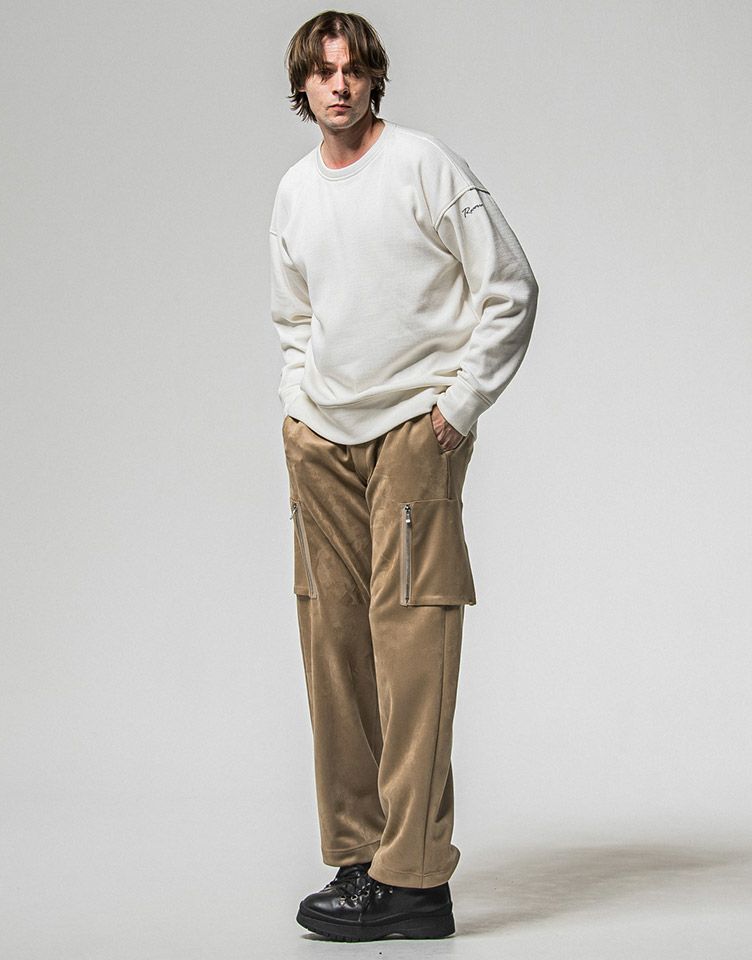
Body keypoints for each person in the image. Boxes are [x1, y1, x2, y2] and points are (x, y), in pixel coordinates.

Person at [269, 10, 539, 942]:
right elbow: (293, 319)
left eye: (352, 69)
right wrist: (296, 409)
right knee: (332, 645)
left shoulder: (424, 165)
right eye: (322, 72)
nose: (338, 85)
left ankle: (415, 879)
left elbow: (510, 286)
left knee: (414, 645)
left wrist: (457, 410)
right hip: (322, 444)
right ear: (302, 86)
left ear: (374, 77)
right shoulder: (294, 192)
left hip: (412, 436)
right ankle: (358, 859)